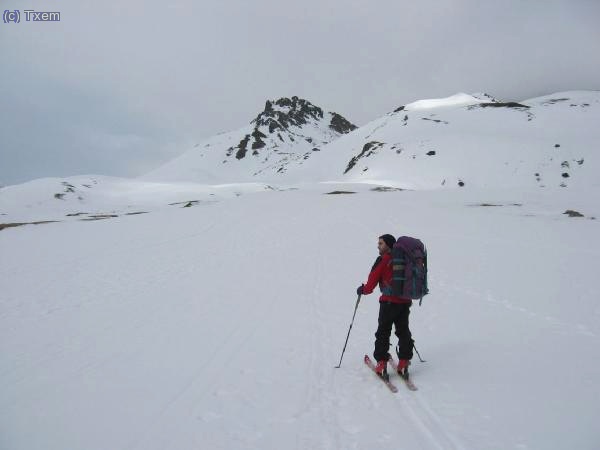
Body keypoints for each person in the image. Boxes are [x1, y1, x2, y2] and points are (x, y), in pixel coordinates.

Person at [357, 234, 414, 377]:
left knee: (383, 332)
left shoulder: (383, 260)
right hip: (405, 302)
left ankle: (381, 364)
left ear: (388, 245)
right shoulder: (405, 260)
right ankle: (404, 361)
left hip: (388, 303)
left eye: (381, 243)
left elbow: (370, 286)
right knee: (403, 331)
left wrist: (362, 290)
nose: (378, 246)